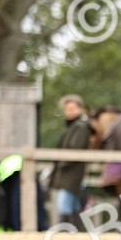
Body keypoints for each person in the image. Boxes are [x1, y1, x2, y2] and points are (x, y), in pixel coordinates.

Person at [48, 94, 92, 229]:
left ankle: (65, 229)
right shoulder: (73, 126)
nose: (69, 111)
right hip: (69, 171)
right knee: (73, 204)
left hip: (72, 171)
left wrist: (62, 164)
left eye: (73, 108)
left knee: (65, 202)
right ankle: (75, 229)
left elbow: (75, 149)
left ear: (80, 109)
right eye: (67, 109)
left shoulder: (80, 127)